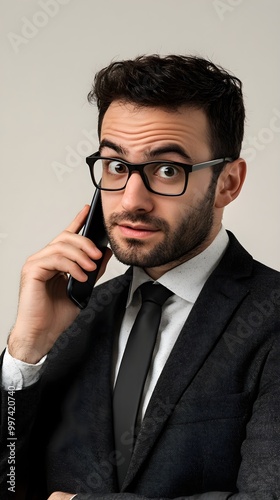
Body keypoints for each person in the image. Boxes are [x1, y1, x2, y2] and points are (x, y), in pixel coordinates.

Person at [1, 54, 280, 500]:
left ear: (227, 182)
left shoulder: (271, 317)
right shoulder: (74, 313)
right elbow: (11, 484)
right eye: (116, 166)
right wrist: (25, 355)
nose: (132, 200)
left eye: (167, 170)